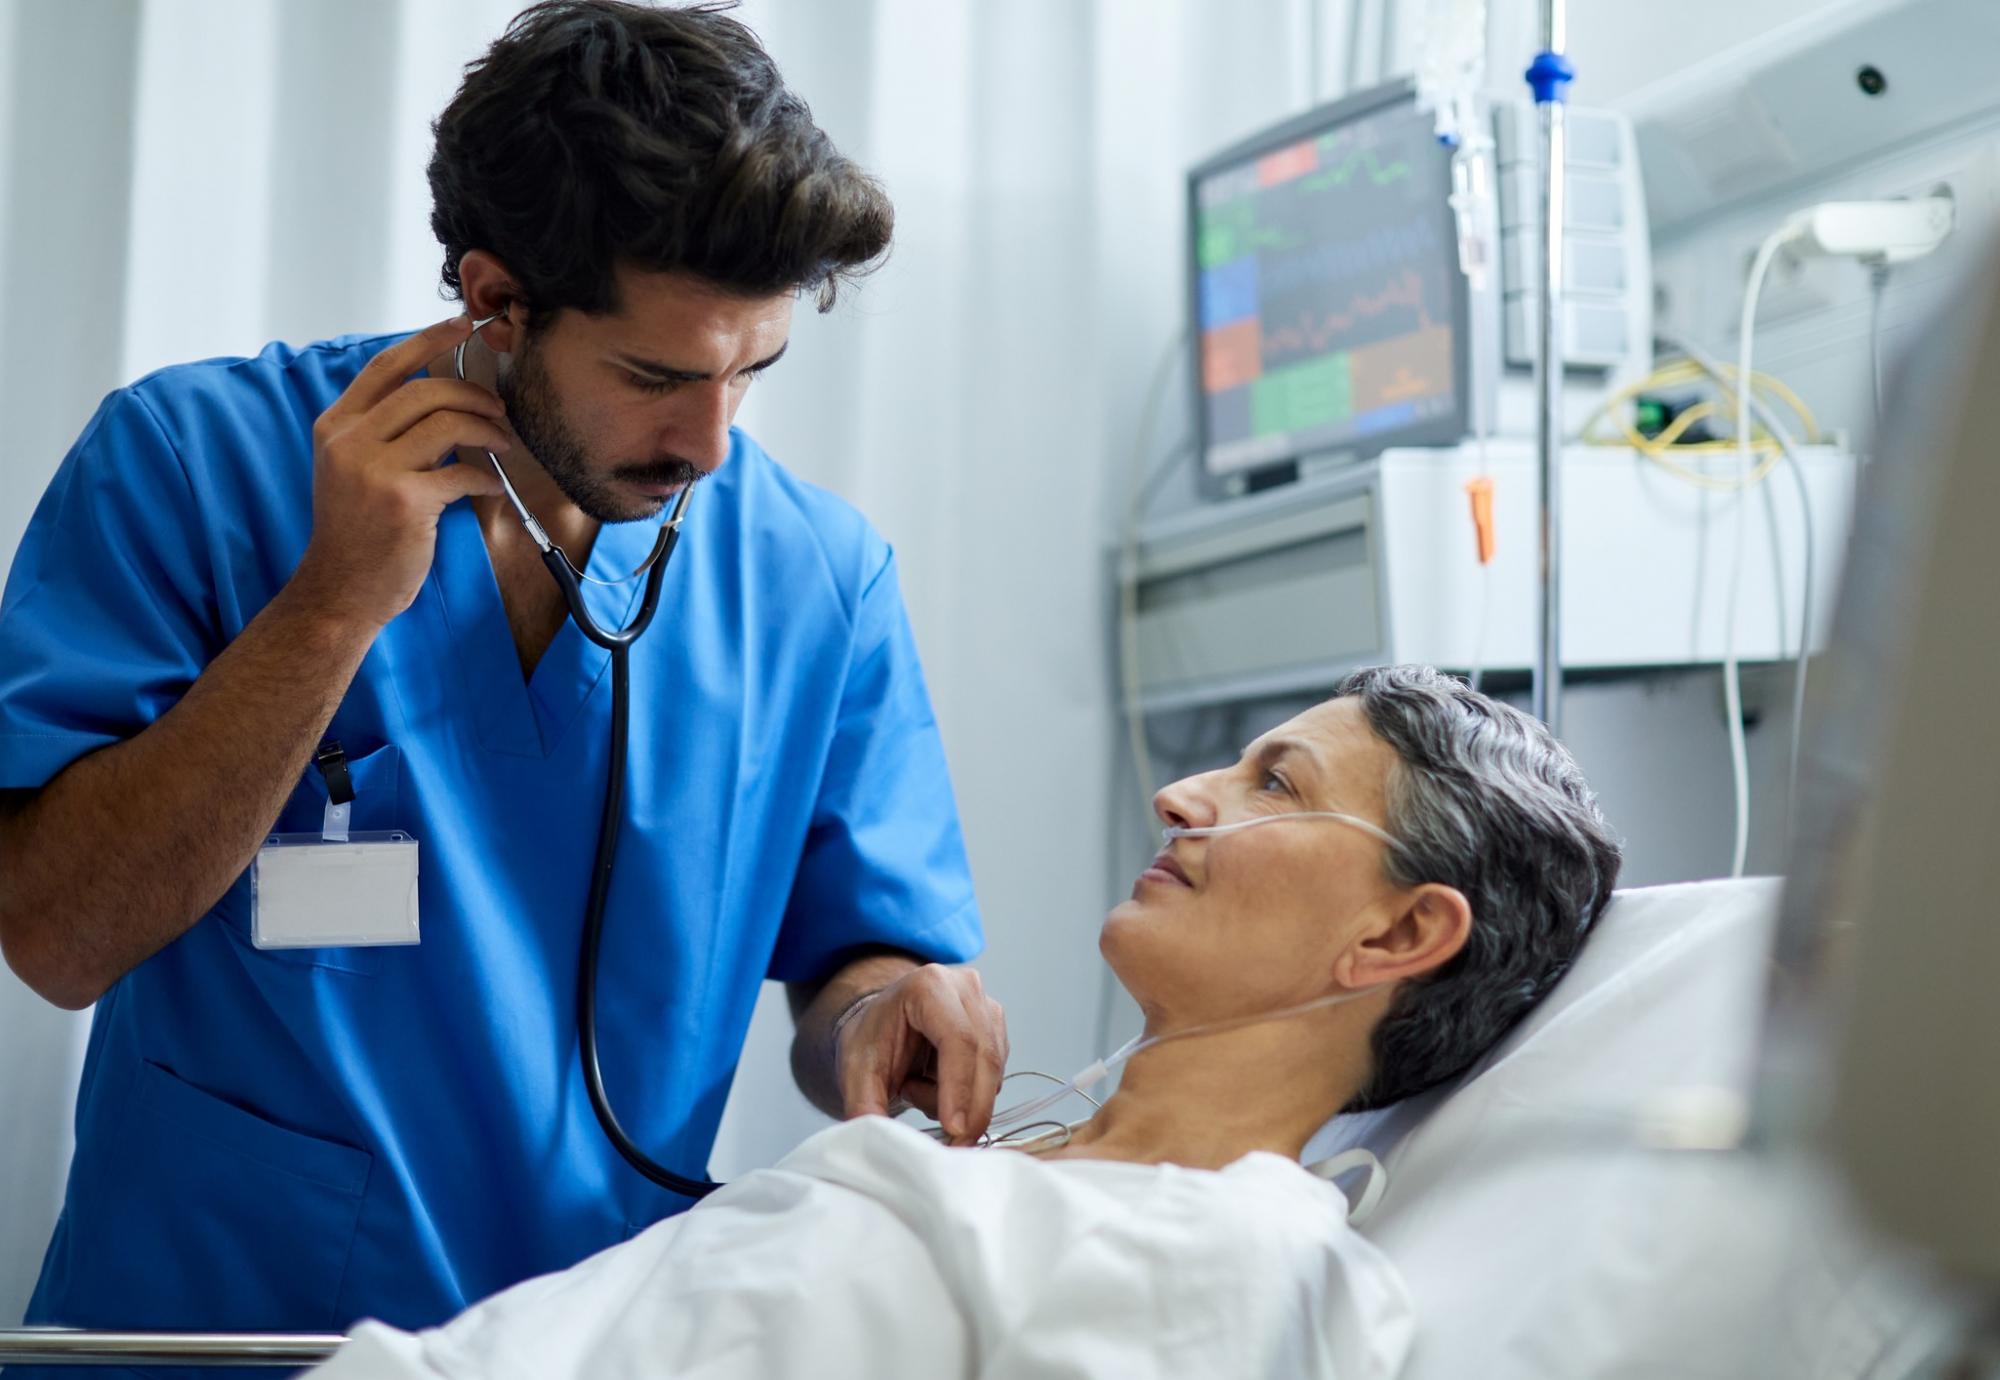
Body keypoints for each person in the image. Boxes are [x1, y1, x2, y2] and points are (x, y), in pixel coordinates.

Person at [0, 0, 1008, 1351]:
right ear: (494, 300)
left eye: (752, 370)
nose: (710, 444)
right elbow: (58, 938)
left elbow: (855, 966)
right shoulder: (191, 465)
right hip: (224, 1337)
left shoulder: (816, 577)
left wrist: (891, 1013)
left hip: (592, 1343)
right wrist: (329, 612)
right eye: (656, 375)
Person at [308, 665, 1624, 1380]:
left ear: (1399, 936)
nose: (1182, 794)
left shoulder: (1225, 1254)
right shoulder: (1033, 1172)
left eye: (1275, 782)